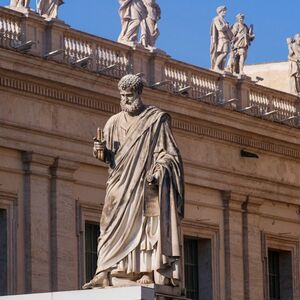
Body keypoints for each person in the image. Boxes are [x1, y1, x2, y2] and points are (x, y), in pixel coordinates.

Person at [83, 74, 184, 288]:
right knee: (108, 224)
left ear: (139, 94)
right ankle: (106, 269)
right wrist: (101, 152)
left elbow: (170, 154)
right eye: (122, 96)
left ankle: (144, 270)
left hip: (144, 184)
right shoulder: (113, 122)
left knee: (144, 225)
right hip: (119, 185)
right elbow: (111, 158)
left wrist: (159, 170)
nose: (125, 100)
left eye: (129, 96)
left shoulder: (156, 119)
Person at [210, 6, 233, 72]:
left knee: (226, 53)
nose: (225, 12)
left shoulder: (224, 20)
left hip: (226, 38)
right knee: (224, 52)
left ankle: (221, 67)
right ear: (219, 11)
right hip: (221, 38)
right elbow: (219, 28)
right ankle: (216, 66)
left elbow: (228, 31)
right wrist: (226, 26)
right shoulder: (216, 19)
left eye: (225, 11)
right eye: (223, 11)